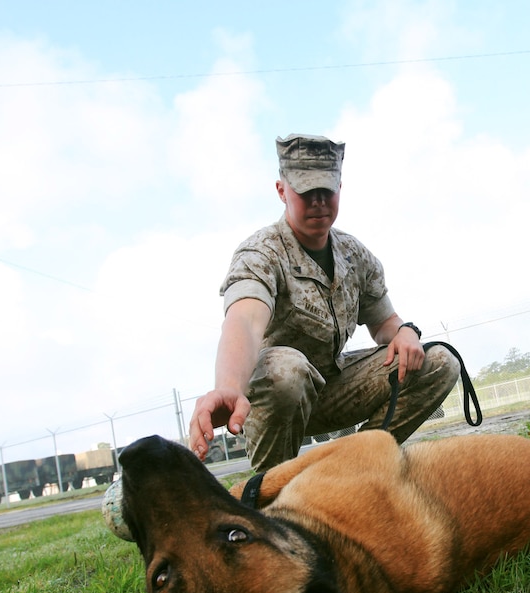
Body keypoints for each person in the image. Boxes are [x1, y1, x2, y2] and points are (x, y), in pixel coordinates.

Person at [188, 133, 461, 472]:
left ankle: (354, 469)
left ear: (340, 189)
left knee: (438, 360)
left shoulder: (354, 254)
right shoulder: (261, 253)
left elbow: (384, 323)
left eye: (326, 191)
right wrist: (228, 388)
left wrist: (405, 332)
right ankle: (274, 494)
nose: (318, 201)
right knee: (286, 370)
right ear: (281, 191)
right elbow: (245, 320)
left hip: (334, 390)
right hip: (277, 401)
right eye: (305, 191)